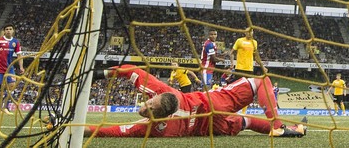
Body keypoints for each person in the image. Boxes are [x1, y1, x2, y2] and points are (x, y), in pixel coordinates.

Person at [85, 65, 307, 138]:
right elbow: (132, 70)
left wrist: (85, 130)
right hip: (214, 103)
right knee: (260, 81)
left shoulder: (156, 128)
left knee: (244, 122)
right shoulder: (164, 92)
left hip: (211, 127)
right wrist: (100, 73)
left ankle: (283, 129)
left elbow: (117, 130)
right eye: (149, 108)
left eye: (149, 107)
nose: (145, 108)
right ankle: (282, 128)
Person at [0, 23, 25, 115]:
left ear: (13, 31)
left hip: (9, 67)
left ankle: (5, 107)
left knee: (12, 86)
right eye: (6, 29)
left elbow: (19, 55)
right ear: (4, 31)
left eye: (10, 29)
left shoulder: (15, 42)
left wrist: (21, 67)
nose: (8, 30)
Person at [229, 29, 266, 114]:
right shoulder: (239, 41)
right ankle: (235, 109)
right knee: (238, 90)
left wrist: (262, 66)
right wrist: (232, 63)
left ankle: (243, 113)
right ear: (245, 33)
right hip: (239, 68)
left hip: (249, 69)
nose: (249, 34)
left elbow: (256, 57)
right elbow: (231, 52)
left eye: (251, 32)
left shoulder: (254, 43)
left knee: (247, 92)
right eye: (248, 32)